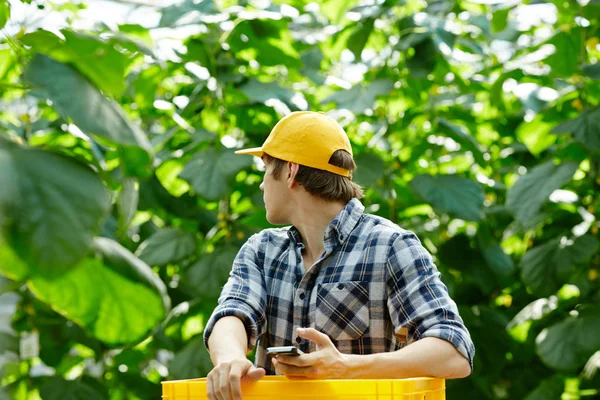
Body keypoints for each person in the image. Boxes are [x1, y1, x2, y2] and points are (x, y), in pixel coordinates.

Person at [203, 111, 474, 400]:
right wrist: (229, 358)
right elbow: (232, 313)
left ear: (291, 171)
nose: (262, 184)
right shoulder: (262, 251)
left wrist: (346, 367)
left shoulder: (390, 246)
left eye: (266, 169)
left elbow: (453, 351)